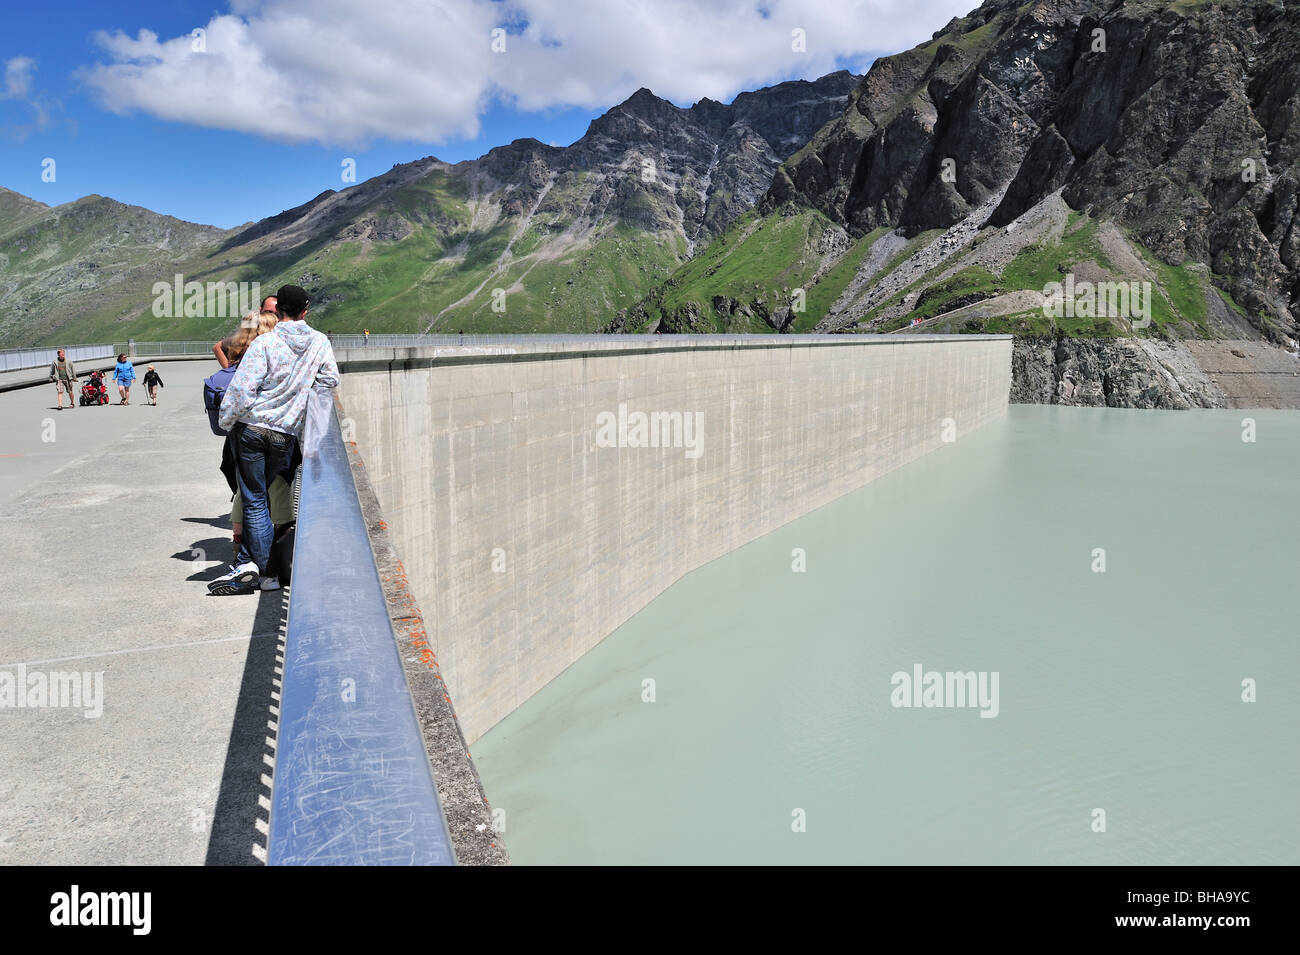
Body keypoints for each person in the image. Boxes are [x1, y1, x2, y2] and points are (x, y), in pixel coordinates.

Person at [209, 285, 338, 596]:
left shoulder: (266, 342)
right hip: (285, 433)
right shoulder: (320, 343)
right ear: (305, 311)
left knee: (254, 501)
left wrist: (227, 422)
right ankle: (265, 573)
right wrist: (303, 398)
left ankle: (264, 573)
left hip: (251, 430)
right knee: (267, 498)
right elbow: (330, 379)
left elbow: (242, 389)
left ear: (278, 309)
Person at [212, 295, 277, 368]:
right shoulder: (252, 321)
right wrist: (229, 371)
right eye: (268, 312)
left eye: (276, 314)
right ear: (260, 310)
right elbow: (217, 347)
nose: (272, 316)